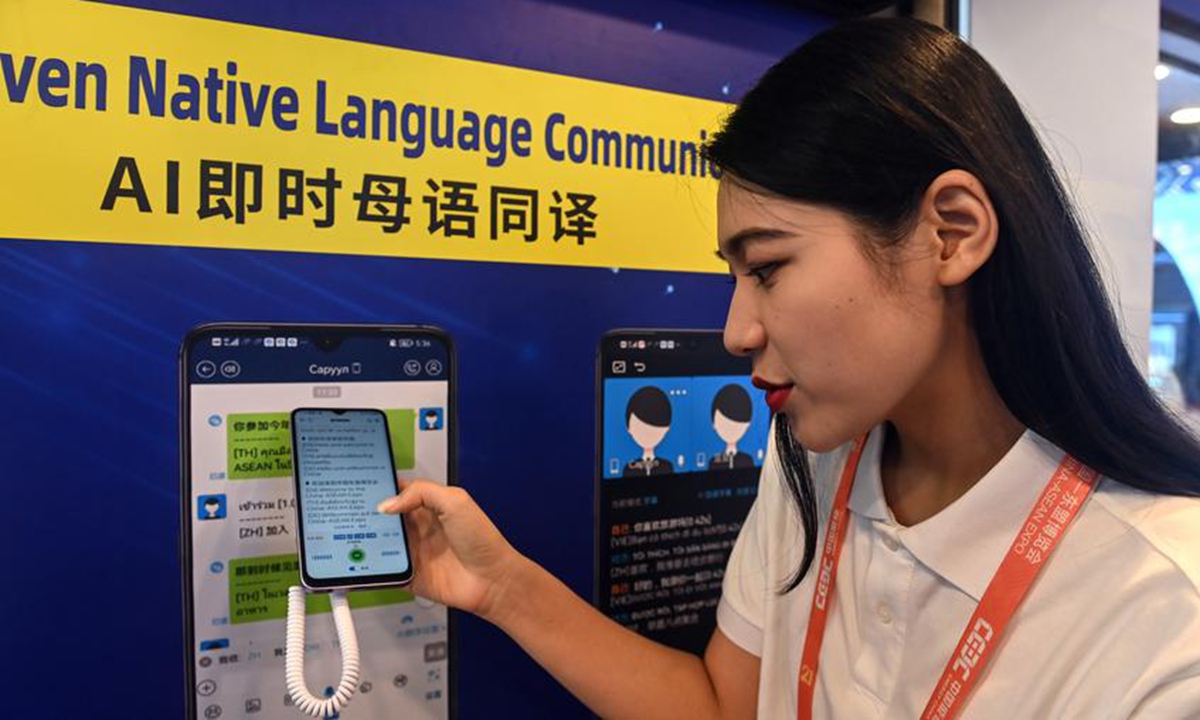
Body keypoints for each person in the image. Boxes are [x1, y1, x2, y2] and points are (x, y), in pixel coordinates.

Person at [378, 18, 1200, 719]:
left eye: (767, 268)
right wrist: (504, 589)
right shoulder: (814, 462)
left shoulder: (1166, 611)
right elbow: (724, 705)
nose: (737, 330)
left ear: (950, 233)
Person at [622, 385, 677, 477]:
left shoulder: (667, 466)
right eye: (640, 428)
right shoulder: (629, 468)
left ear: (666, 430)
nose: (647, 435)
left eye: (655, 430)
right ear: (629, 428)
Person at [708, 383, 756, 470]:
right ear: (714, 425)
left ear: (747, 427)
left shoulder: (747, 460)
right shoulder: (713, 461)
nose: (730, 430)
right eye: (724, 424)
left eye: (737, 425)